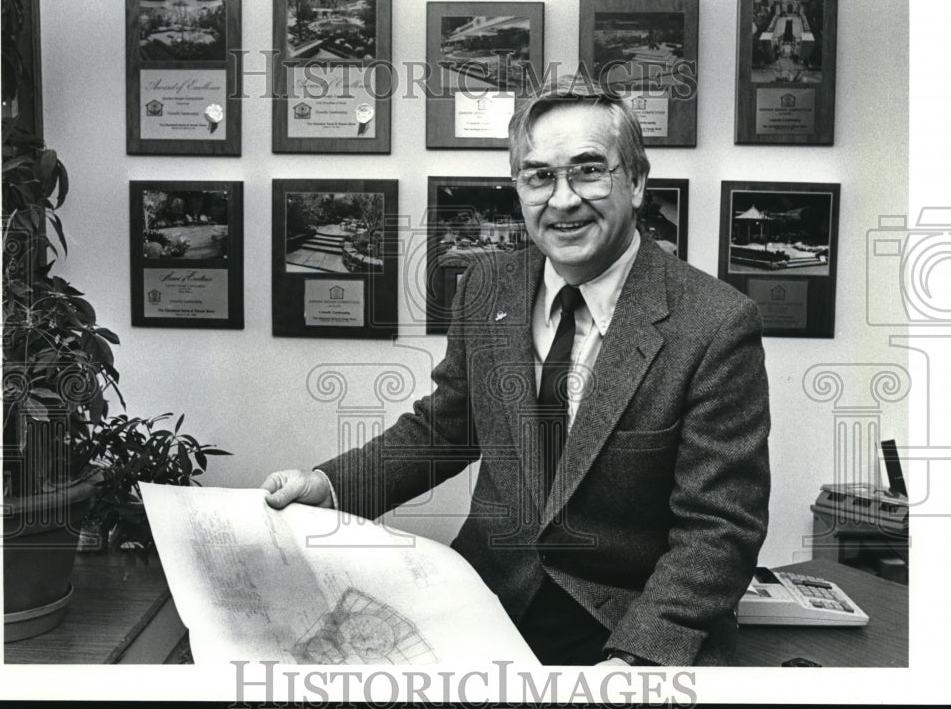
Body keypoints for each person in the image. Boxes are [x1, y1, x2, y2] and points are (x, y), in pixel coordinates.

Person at [262, 75, 771, 667]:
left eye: (588, 169)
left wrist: (637, 661)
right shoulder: (487, 285)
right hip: (487, 599)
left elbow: (719, 527)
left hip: (624, 620)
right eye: (539, 176)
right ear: (519, 188)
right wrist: (327, 487)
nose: (562, 199)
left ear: (636, 182)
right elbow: (445, 431)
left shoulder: (714, 324)